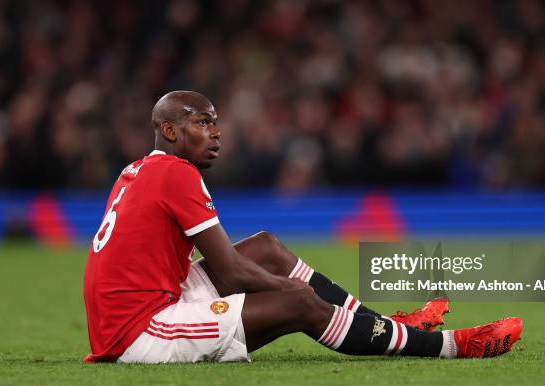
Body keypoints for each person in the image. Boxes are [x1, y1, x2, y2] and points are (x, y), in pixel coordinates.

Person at [83, 90, 522, 364]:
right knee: (300, 304)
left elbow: (235, 262)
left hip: (146, 306)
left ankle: (387, 325)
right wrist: (294, 290)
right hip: (141, 332)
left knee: (267, 247)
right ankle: (452, 345)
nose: (215, 133)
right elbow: (232, 272)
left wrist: (283, 281)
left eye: (215, 122)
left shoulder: (139, 169)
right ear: (169, 130)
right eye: (201, 122)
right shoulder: (177, 174)